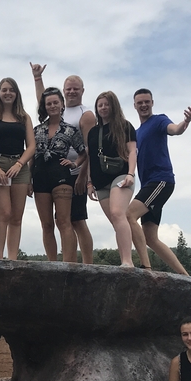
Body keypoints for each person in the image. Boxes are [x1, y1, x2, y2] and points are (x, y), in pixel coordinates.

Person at [31, 63, 96, 263]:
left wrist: (83, 173)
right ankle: (53, 265)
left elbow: (88, 150)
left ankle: (79, 265)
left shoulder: (85, 116)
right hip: (42, 175)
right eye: (69, 89)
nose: (72, 92)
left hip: (68, 175)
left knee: (71, 221)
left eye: (75, 89)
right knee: (48, 224)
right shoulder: (38, 128)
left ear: (82, 91)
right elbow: (44, 99)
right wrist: (37, 78)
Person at [127, 89, 191, 274]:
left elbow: (175, 129)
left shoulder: (158, 120)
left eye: (147, 101)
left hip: (161, 181)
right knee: (150, 237)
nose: (143, 105)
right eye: (140, 102)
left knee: (129, 215)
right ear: (134, 105)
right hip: (149, 184)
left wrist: (186, 122)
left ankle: (146, 268)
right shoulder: (136, 133)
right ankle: (186, 277)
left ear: (152, 103)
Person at [84, 91, 137, 267]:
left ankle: (128, 261)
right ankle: (124, 260)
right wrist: (90, 182)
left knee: (117, 213)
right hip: (100, 182)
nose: (103, 108)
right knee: (116, 221)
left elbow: (132, 152)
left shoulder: (125, 126)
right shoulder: (93, 132)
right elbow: (91, 158)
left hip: (121, 176)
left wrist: (131, 173)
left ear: (113, 106)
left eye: (107, 104)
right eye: (100, 105)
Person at [0, 78, 36, 259]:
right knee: (4, 212)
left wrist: (20, 164)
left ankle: (12, 258)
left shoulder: (24, 117)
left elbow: (31, 146)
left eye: (11, 90)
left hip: (19, 166)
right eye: (4, 90)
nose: (8, 93)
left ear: (16, 93)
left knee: (16, 216)